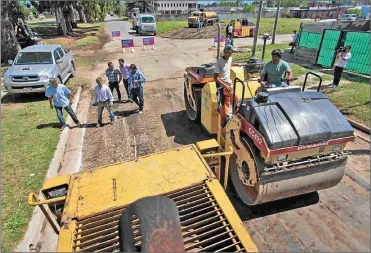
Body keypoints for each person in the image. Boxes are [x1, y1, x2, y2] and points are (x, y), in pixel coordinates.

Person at [213, 44, 241, 126]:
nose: (228, 54)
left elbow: (229, 64)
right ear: (224, 52)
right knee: (225, 103)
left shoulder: (230, 59)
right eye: (226, 52)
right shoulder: (219, 62)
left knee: (235, 98)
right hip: (221, 85)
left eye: (230, 52)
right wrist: (225, 86)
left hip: (229, 84)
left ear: (232, 52)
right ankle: (223, 121)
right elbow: (215, 78)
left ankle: (236, 115)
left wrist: (236, 64)